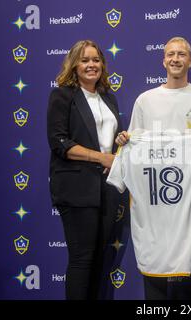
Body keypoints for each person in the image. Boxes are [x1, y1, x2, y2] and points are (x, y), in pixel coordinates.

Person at [115, 36, 191, 300]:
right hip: (155, 206)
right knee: (155, 275)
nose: (175, 59)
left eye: (181, 54)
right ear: (163, 60)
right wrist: (124, 142)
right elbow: (134, 148)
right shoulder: (145, 100)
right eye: (170, 54)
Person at [47, 40, 122, 300]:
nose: (92, 65)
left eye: (96, 60)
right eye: (85, 60)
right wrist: (101, 158)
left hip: (108, 189)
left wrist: (119, 146)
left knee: (100, 259)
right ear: (74, 65)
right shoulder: (62, 95)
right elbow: (59, 143)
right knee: (82, 260)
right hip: (77, 189)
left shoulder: (108, 98)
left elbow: (109, 139)